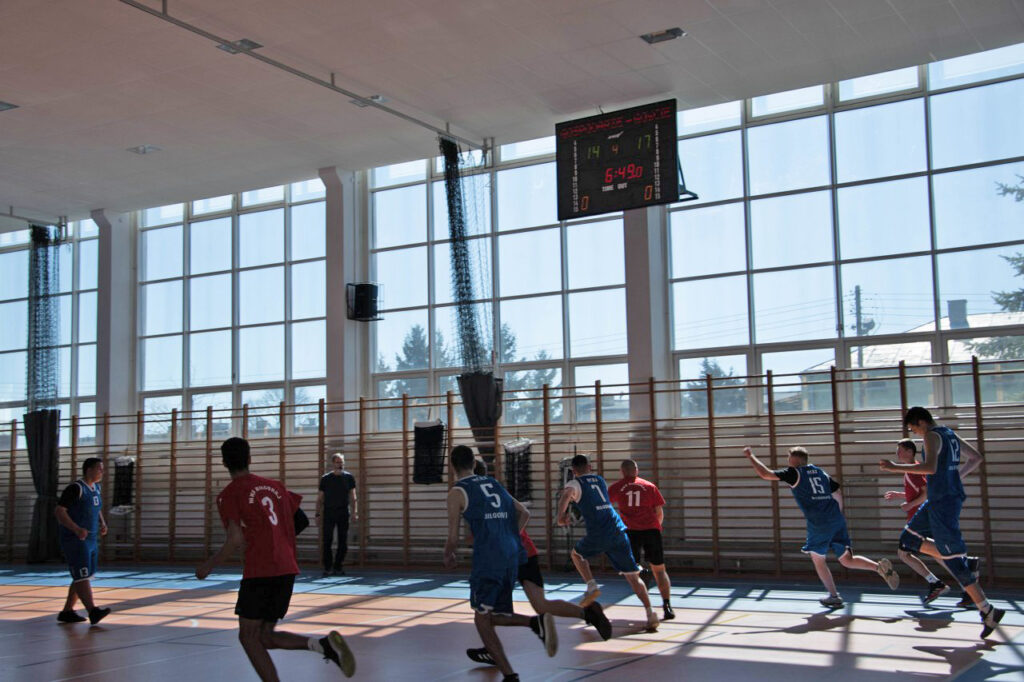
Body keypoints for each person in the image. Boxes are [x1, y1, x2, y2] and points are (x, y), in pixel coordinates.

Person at [196, 437, 355, 680]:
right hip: (286, 568)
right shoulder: (275, 487)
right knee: (265, 636)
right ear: (250, 459)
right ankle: (324, 646)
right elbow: (300, 520)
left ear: (224, 463)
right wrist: (278, 538)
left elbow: (235, 538)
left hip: (261, 569)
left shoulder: (229, 494)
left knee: (248, 636)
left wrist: (209, 565)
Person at [465, 458, 611, 667]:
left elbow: (471, 538)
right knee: (540, 604)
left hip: (504, 557)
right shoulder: (497, 492)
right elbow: (523, 513)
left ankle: (496, 650)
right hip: (525, 552)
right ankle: (588, 613)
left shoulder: (472, 498)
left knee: (484, 611)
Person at [880, 407, 1005, 638]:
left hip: (943, 503)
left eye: (913, 428)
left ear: (921, 422)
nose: (915, 433)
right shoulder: (949, 433)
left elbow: (930, 467)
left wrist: (894, 467)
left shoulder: (931, 435)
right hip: (939, 499)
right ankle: (960, 559)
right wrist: (955, 477)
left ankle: (987, 609)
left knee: (952, 562)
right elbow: (976, 458)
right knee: (907, 541)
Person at [444, 446, 557, 682]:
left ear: (452, 465)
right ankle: (536, 623)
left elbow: (453, 537)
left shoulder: (457, 492)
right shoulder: (492, 483)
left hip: (489, 558)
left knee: (481, 618)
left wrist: (449, 555)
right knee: (494, 614)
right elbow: (524, 512)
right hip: (512, 554)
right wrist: (510, 536)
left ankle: (510, 675)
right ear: (473, 463)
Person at [744, 445, 900, 608]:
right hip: (836, 518)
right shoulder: (820, 472)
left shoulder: (794, 472)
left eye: (789, 458)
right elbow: (837, 493)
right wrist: (837, 516)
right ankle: (878, 568)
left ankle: (833, 596)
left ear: (796, 460)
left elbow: (765, 474)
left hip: (819, 523)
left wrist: (751, 456)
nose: (788, 461)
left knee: (818, 559)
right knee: (847, 560)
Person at [556, 454, 658, 632]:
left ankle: (591, 586)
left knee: (576, 555)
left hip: (599, 532)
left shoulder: (574, 483)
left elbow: (566, 495)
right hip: (618, 530)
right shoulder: (600, 480)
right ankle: (651, 613)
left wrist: (561, 517)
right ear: (589, 467)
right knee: (633, 577)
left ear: (573, 470)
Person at [882, 438, 978, 606]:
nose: (897, 453)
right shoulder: (914, 469)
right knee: (939, 555)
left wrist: (909, 505)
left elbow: (927, 493)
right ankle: (963, 581)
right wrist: (900, 495)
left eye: (900, 450)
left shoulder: (914, 471)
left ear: (910, 452)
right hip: (924, 519)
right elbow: (919, 492)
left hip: (921, 521)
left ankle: (949, 579)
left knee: (908, 553)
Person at [607, 459, 675, 621]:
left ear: (622, 472)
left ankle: (642, 575)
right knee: (660, 569)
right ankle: (667, 605)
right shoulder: (649, 486)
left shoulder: (616, 487)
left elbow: (605, 507)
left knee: (631, 570)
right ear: (636, 470)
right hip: (651, 530)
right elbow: (659, 512)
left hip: (631, 532)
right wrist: (656, 528)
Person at [54, 457, 110, 625]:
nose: (102, 472)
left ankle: (67, 612)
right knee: (82, 574)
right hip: (76, 539)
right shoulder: (76, 488)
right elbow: (59, 511)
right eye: (99, 468)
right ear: (89, 470)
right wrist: (76, 529)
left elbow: (96, 508)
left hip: (91, 538)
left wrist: (102, 522)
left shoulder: (96, 488)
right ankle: (92, 611)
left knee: (83, 575)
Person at [317, 452, 357, 576]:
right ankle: (328, 567)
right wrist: (317, 514)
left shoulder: (349, 478)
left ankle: (338, 566)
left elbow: (353, 497)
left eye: (342, 462)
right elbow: (320, 498)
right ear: (333, 463)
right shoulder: (325, 479)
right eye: (338, 462)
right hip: (329, 512)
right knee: (327, 540)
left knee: (343, 541)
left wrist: (354, 512)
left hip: (343, 512)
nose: (340, 464)